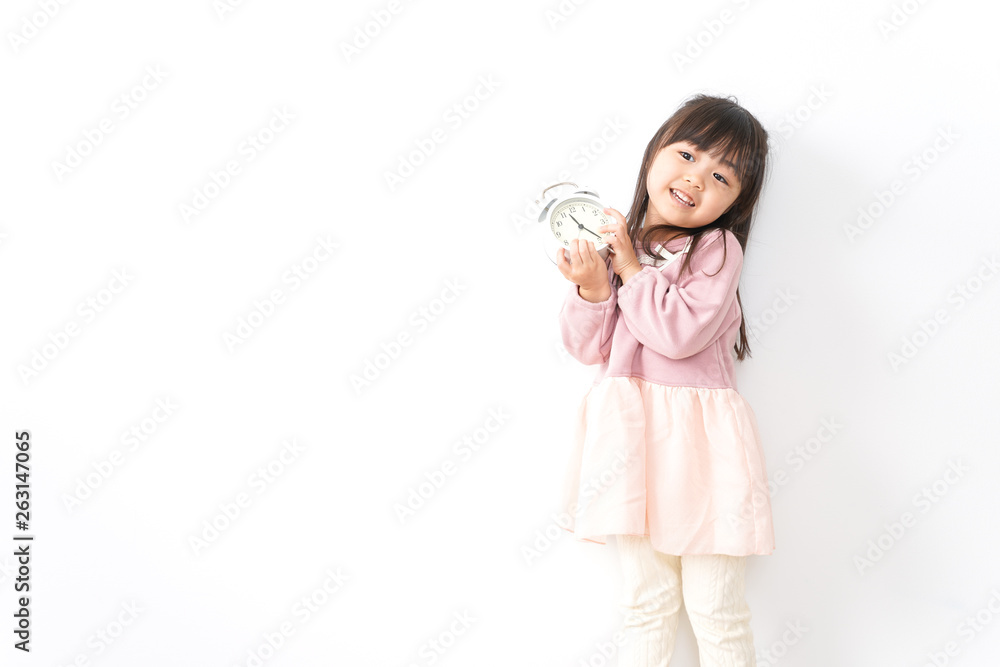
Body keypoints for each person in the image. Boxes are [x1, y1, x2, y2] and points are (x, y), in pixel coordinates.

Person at [555, 93, 775, 667]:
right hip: (630, 444)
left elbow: (676, 335)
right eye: (688, 154)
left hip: (702, 449)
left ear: (737, 201)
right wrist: (593, 288)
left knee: (716, 609)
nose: (696, 177)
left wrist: (631, 269)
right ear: (655, 152)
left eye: (721, 176)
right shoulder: (616, 244)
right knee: (646, 603)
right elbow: (588, 348)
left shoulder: (716, 249)